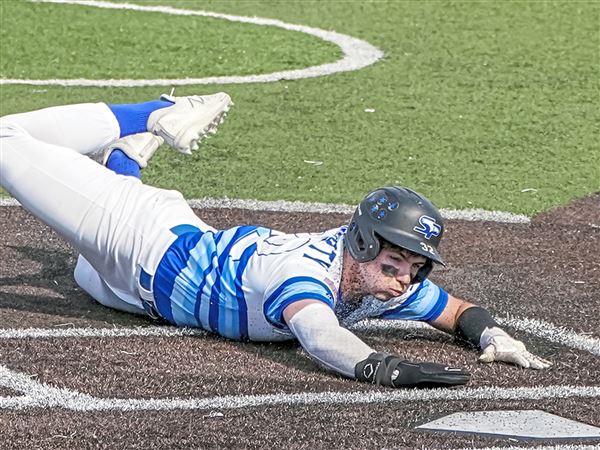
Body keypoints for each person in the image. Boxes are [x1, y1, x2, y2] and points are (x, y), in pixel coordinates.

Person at [0, 92, 551, 389]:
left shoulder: (380, 280)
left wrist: (489, 334)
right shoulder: (306, 274)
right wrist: (385, 368)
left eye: (412, 267)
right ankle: (152, 114)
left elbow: (452, 309)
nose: (404, 279)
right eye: (396, 262)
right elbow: (320, 337)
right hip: (138, 237)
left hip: (135, 289)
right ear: (361, 245)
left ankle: (125, 158)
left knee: (79, 269)